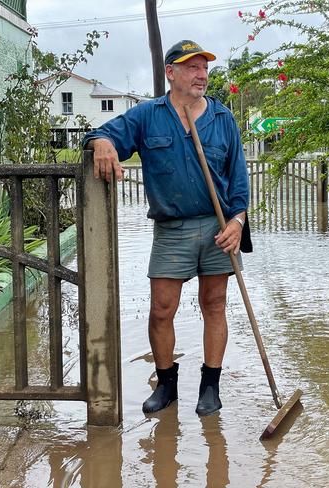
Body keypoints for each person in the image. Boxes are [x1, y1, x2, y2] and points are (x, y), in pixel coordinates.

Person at [83, 40, 251, 416]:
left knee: (215, 305)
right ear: (170, 72)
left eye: (204, 68)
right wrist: (103, 143)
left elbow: (239, 185)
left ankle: (211, 385)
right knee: (161, 309)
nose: (202, 75)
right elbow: (98, 133)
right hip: (171, 229)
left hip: (218, 226)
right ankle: (166, 384)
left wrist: (238, 223)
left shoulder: (223, 119)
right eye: (192, 68)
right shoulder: (147, 116)